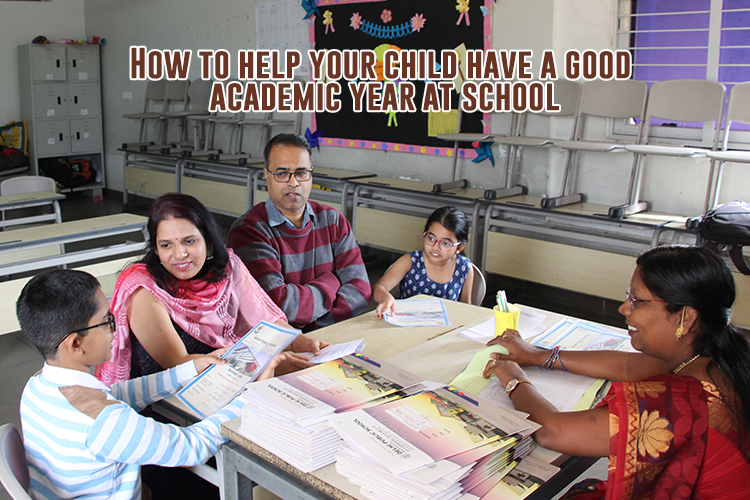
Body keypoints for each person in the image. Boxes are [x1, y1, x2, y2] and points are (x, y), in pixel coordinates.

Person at [483, 245, 750, 499]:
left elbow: (553, 431)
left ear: (686, 317)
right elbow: (627, 365)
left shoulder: (682, 402)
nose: (624, 308)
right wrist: (539, 356)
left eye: (638, 301)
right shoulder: (715, 357)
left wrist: (514, 379)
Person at [17, 269, 286, 499]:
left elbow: (118, 394)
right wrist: (251, 397)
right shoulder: (104, 423)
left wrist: (189, 369)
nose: (114, 329)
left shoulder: (38, 386)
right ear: (76, 343)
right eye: (106, 322)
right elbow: (191, 447)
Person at [96, 193, 325, 386]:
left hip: (226, 379)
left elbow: (266, 320)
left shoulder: (228, 267)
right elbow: (181, 363)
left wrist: (297, 340)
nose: (180, 254)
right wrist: (272, 362)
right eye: (166, 245)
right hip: (171, 400)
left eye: (190, 241)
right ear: (155, 249)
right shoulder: (144, 289)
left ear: (209, 242)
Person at [227, 133, 371, 332]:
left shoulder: (334, 221)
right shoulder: (249, 231)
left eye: (301, 173)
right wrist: (332, 281)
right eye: (282, 173)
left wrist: (310, 326)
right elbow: (280, 307)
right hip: (282, 347)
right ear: (266, 175)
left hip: (333, 338)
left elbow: (360, 290)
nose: (293, 183)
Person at [373, 206, 474, 319]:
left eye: (446, 243)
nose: (435, 247)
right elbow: (378, 287)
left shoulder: (464, 268)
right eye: (431, 239)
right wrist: (385, 298)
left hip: (443, 330)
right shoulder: (411, 261)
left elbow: (466, 309)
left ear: (460, 247)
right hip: (408, 325)